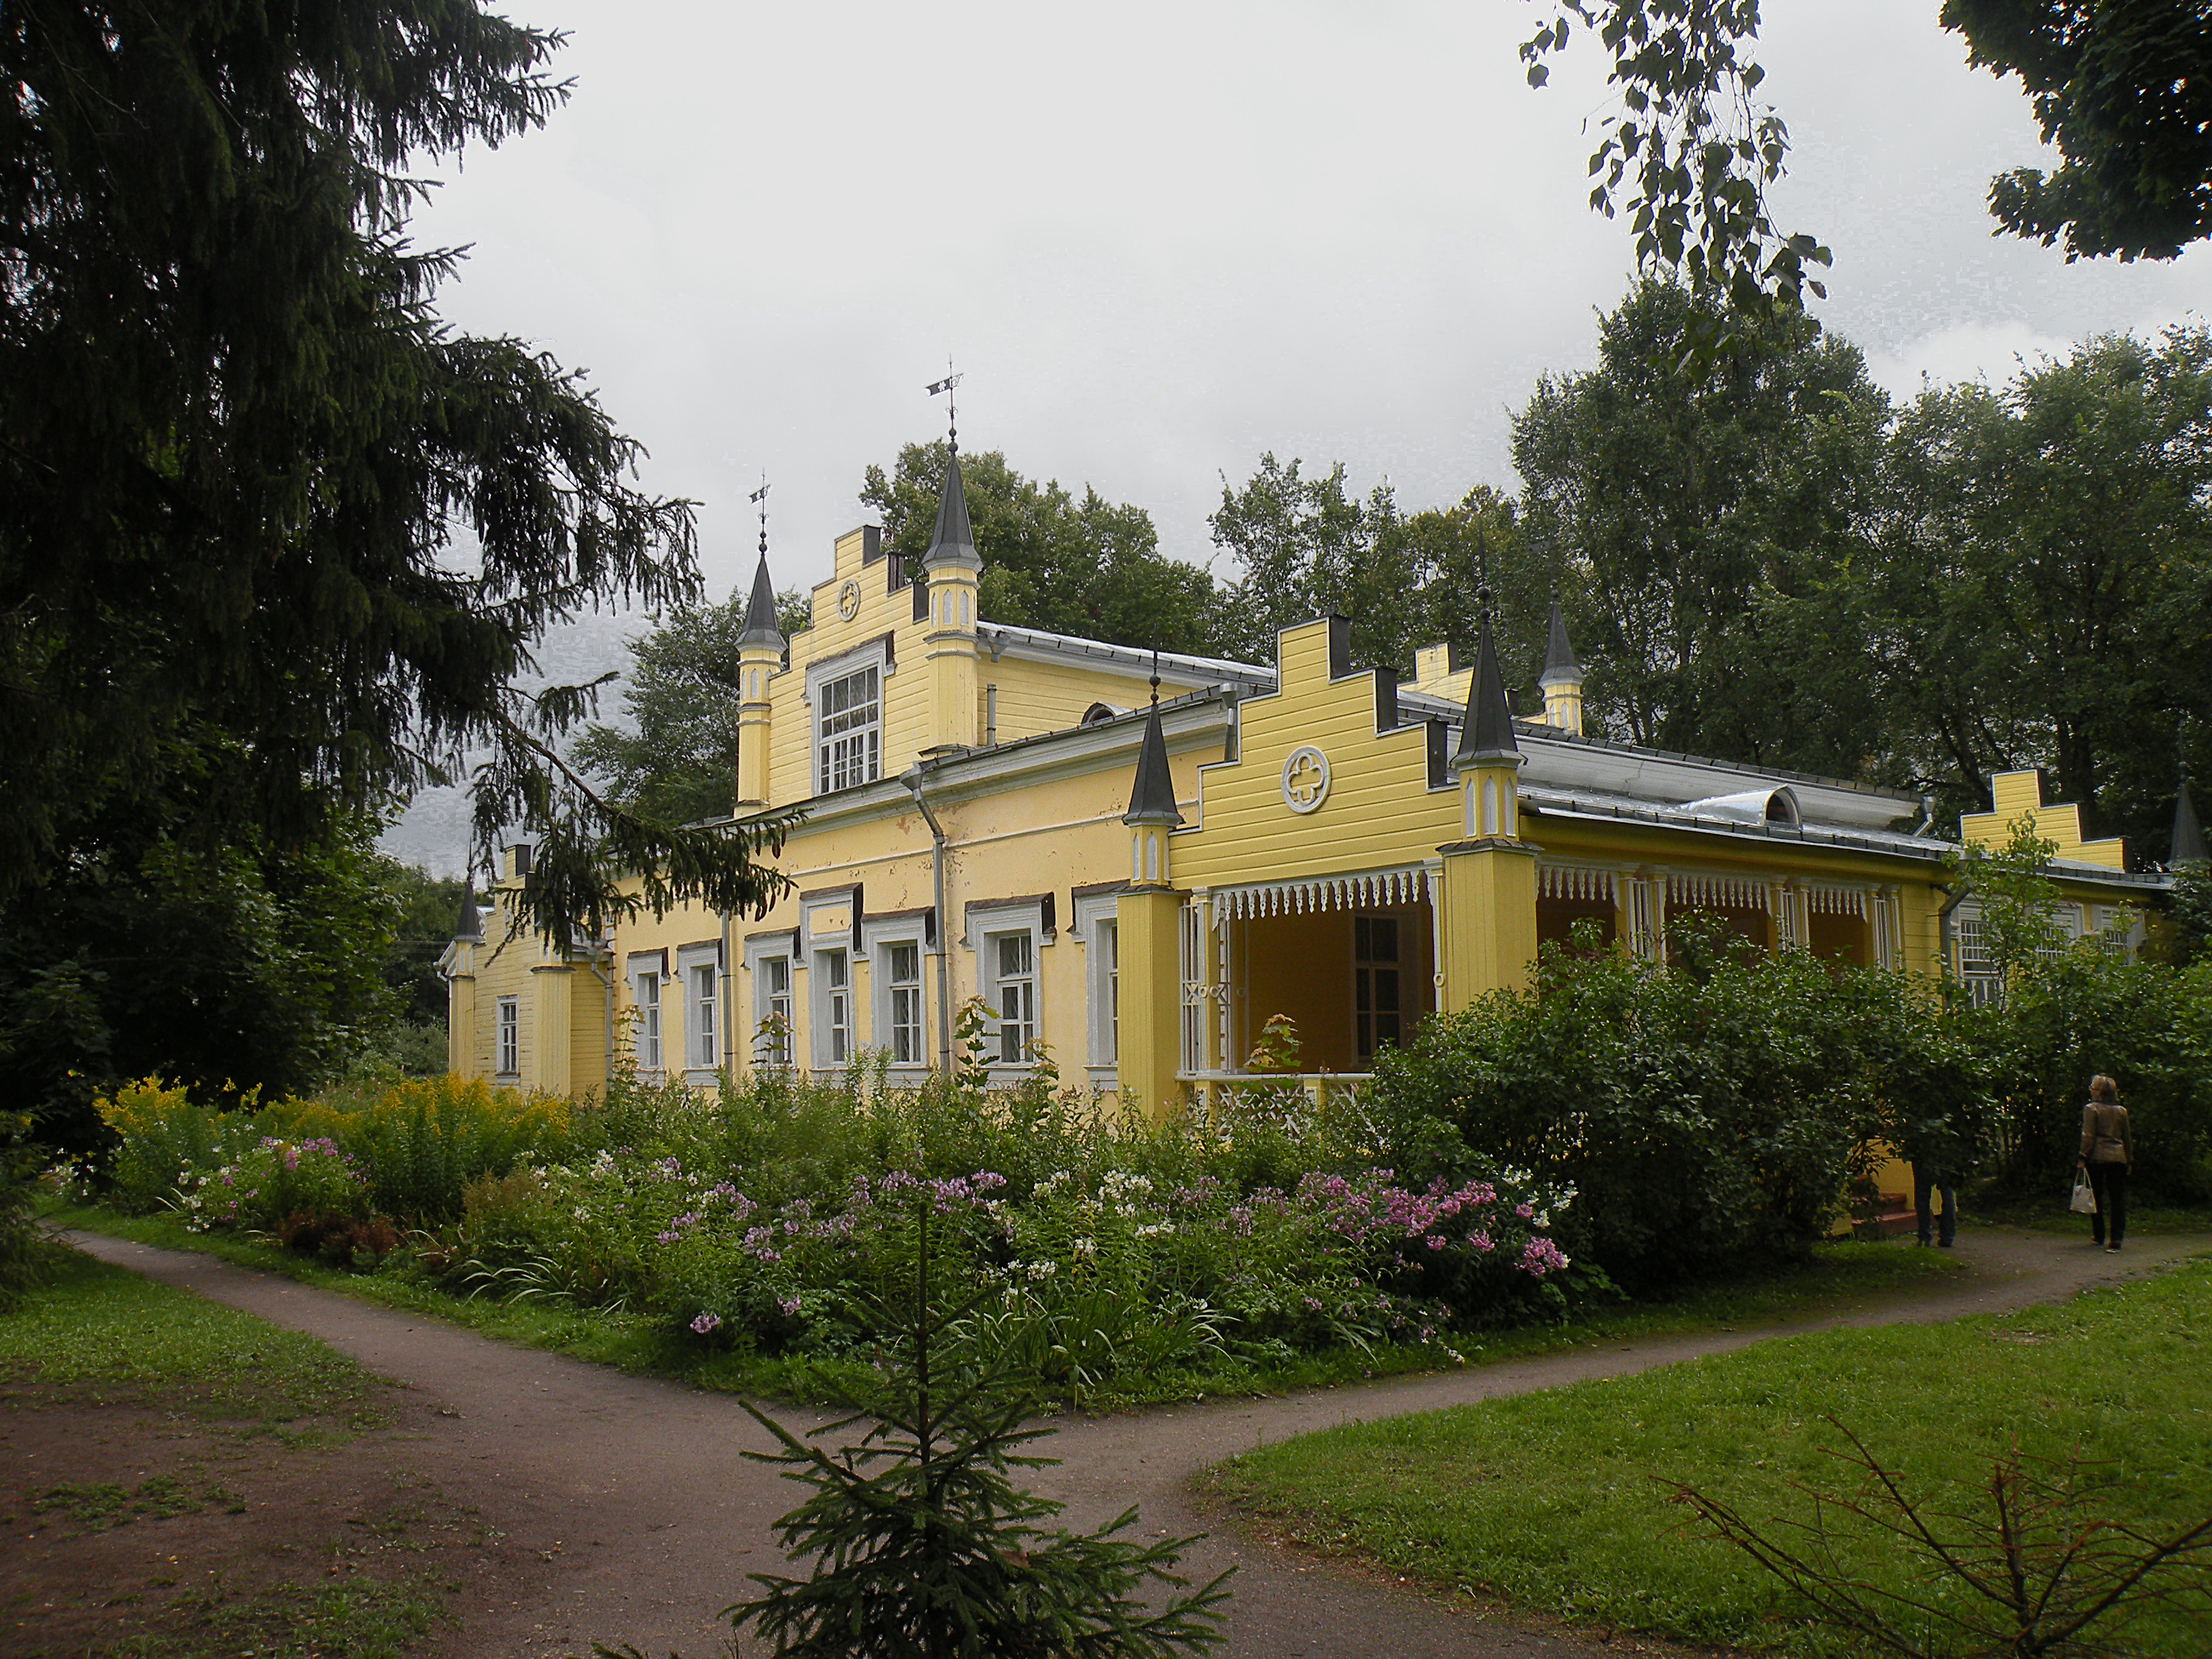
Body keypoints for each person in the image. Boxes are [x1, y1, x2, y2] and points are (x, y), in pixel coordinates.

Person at [2079, 1075, 2134, 1252]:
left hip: (2097, 1158)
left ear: (2100, 1092)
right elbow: (2127, 1138)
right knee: (2117, 1199)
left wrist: (2082, 1156)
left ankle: (2099, 1234)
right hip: (2118, 1158)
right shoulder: (2121, 1111)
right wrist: (2129, 1159)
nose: (2091, 1091)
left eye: (2093, 1088)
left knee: (2096, 1197)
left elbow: (2088, 1136)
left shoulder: (2091, 1109)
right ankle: (2117, 1238)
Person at [1913, 1158, 1958, 1248]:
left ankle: (1924, 1237)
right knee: (1948, 1196)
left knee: (1922, 1198)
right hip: (1945, 1159)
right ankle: (1948, 1237)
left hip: (1923, 1158)